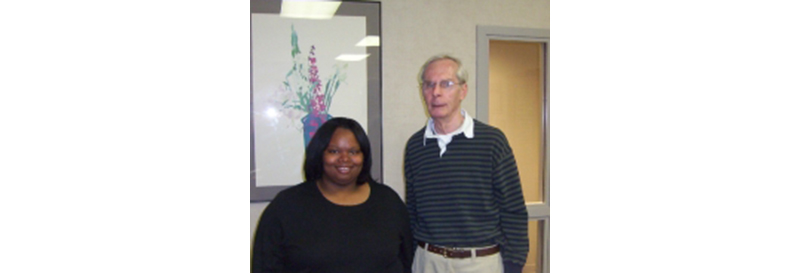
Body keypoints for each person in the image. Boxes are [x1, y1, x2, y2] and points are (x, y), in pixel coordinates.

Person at [404, 55, 529, 273]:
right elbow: (413, 211)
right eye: (429, 85)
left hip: (480, 263)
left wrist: (514, 265)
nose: (436, 93)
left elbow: (513, 210)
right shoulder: (415, 146)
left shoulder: (492, 141)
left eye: (446, 84)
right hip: (427, 261)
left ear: (463, 91)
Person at [252, 117, 415, 273]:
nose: (344, 159)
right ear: (319, 154)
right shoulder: (286, 206)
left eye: (354, 151)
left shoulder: (388, 202)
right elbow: (265, 266)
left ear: (364, 156)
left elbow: (406, 260)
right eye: (334, 151)